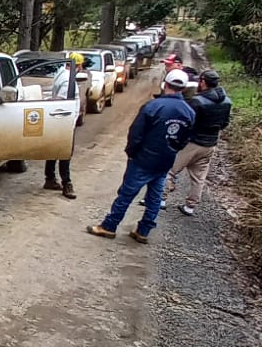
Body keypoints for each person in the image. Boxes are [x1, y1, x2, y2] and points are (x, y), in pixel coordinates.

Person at [88, 69, 196, 243]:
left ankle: (109, 226)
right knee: (155, 197)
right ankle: (143, 231)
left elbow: (136, 134)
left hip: (143, 160)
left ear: (165, 84)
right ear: (183, 88)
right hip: (165, 161)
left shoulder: (153, 106)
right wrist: (172, 150)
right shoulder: (189, 112)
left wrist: (132, 153)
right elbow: (185, 139)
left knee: (126, 194)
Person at [168, 69, 232, 216]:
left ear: (203, 82)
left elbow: (186, 121)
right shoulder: (227, 102)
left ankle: (161, 199)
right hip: (210, 144)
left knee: (170, 171)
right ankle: (190, 206)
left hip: (192, 143)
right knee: (199, 178)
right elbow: (225, 123)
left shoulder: (197, 101)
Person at [43, 57, 82, 199]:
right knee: (65, 153)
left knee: (54, 150)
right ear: (77, 66)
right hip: (64, 120)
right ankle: (67, 183)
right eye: (80, 66)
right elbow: (61, 100)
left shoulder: (61, 74)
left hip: (59, 120)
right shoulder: (67, 80)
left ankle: (50, 178)